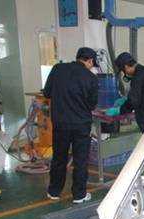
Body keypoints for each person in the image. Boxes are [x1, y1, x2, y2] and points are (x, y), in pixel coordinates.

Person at [44, 47, 99, 204]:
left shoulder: (58, 69)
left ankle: (54, 191)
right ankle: (79, 195)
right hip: (81, 125)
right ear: (90, 61)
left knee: (59, 157)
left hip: (60, 123)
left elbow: (47, 93)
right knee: (80, 160)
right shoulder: (91, 78)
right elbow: (92, 104)